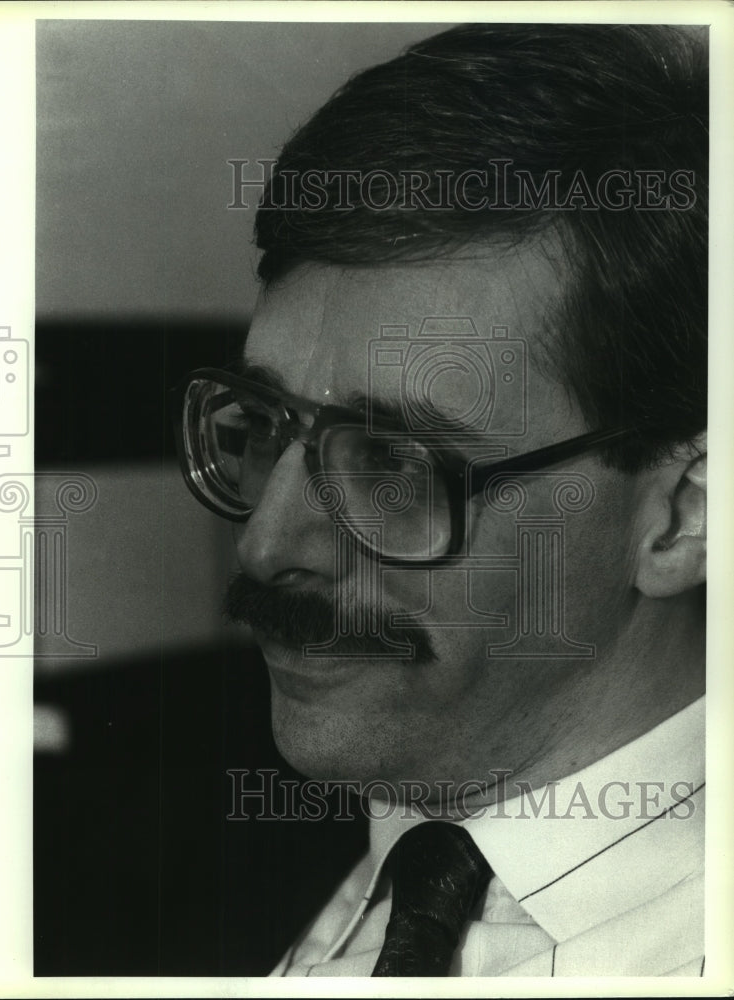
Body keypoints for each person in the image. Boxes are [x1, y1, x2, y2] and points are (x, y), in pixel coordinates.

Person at [174, 23, 707, 976]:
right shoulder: (335, 834)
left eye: (395, 465)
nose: (266, 545)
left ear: (680, 516)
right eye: (263, 423)